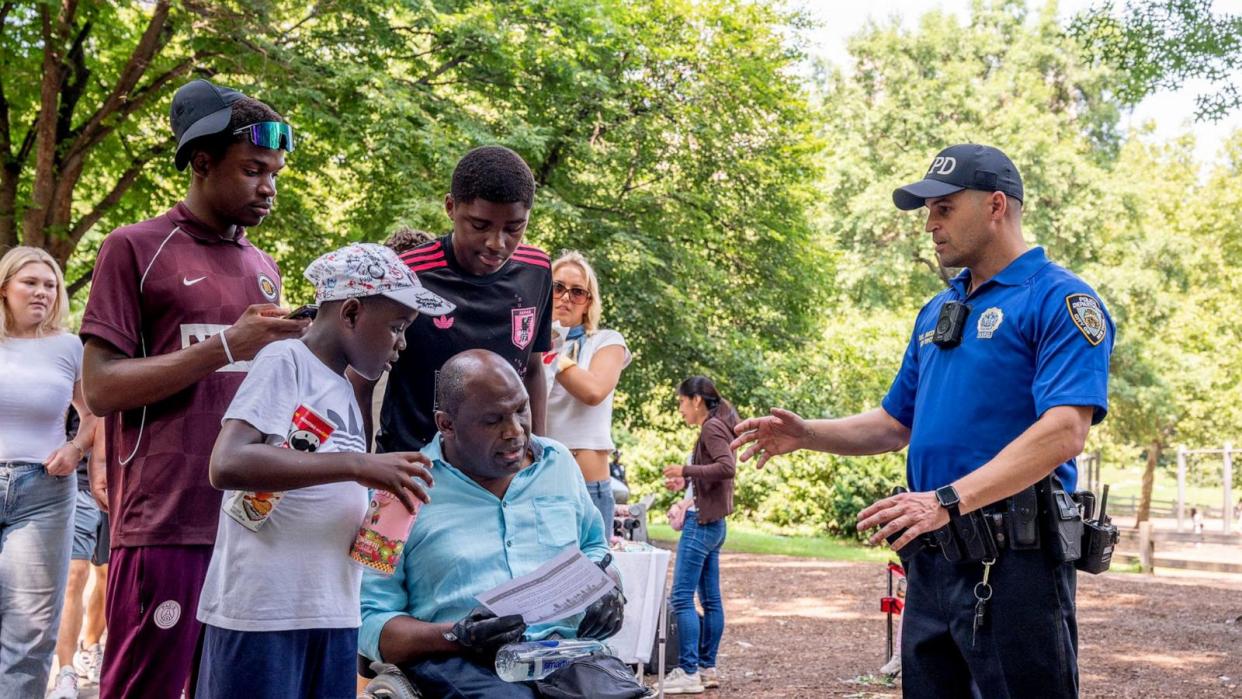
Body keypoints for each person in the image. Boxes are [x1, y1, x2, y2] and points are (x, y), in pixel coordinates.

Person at [733, 144, 1115, 698]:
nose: (929, 225)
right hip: (934, 558)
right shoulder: (938, 311)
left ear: (996, 206)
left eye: (944, 208)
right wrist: (807, 434)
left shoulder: (1060, 299)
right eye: (927, 212)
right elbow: (895, 423)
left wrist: (947, 500)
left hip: (1016, 564)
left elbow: (1064, 430)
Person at [80, 79, 306, 698]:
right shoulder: (133, 248)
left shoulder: (264, 268)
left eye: (276, 173)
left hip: (249, 523)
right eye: (254, 170)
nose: (270, 188)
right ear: (202, 163)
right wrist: (226, 346)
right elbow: (99, 389)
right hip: (165, 522)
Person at [194, 243, 450, 697]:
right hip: (265, 614)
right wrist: (358, 465)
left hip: (332, 611)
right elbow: (228, 462)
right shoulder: (285, 360)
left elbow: (321, 482)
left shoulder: (343, 390)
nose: (402, 343)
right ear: (350, 313)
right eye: (396, 327)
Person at [358, 350, 630, 698]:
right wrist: (455, 635)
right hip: (460, 662)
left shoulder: (558, 463)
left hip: (566, 658)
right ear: (446, 424)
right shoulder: (397, 493)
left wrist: (607, 585)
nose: (515, 431)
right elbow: (369, 619)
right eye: (493, 420)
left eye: (521, 410)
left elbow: (595, 546)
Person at [358, 145, 553, 453]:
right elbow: (362, 379)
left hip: (500, 470)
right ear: (450, 207)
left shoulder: (537, 271)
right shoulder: (406, 274)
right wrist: (361, 466)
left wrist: (540, 453)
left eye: (514, 228)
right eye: (479, 225)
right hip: (413, 468)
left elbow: (532, 368)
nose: (496, 243)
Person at [0, 246, 98, 697]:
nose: (42, 292)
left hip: (43, 492)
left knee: (31, 630)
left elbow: (95, 413)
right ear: (5, 288)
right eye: (31, 282)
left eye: (50, 284)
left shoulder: (68, 346)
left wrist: (76, 448)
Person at [660, 376, 738, 694]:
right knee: (710, 599)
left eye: (681, 402)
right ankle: (707, 669)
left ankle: (689, 671)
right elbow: (716, 477)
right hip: (714, 524)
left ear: (695, 400)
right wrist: (687, 486)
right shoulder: (717, 424)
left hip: (702, 526)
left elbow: (726, 467)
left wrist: (685, 470)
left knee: (681, 597)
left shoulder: (711, 427)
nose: (680, 409)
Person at [544, 251, 632, 531]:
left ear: (588, 302)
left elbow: (593, 391)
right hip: (541, 484)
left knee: (593, 574)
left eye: (578, 292)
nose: (566, 297)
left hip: (589, 488)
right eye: (557, 287)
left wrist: (551, 350)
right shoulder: (526, 344)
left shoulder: (607, 341)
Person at [49, 412, 110, 699]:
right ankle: (66, 672)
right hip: (77, 485)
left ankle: (91, 644)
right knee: (74, 577)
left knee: (108, 578)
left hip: (120, 484)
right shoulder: (78, 370)